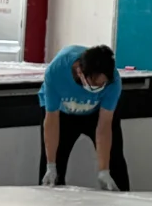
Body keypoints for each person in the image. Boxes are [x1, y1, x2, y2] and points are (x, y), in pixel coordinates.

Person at [39, 43, 127, 192]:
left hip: (95, 114)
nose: (99, 88)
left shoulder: (114, 82)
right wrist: (50, 165)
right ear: (80, 71)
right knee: (53, 171)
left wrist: (103, 170)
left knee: (114, 162)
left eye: (103, 84)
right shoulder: (56, 71)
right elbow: (52, 120)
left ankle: (122, 203)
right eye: (94, 84)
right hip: (62, 115)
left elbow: (104, 126)